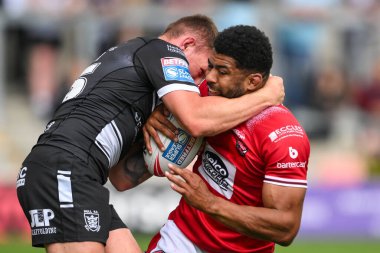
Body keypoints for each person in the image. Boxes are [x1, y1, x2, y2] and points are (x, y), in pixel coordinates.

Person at [16, 15, 284, 253]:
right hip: (65, 169)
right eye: (202, 70)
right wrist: (265, 96)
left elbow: (120, 178)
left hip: (78, 174)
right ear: (187, 45)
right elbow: (196, 120)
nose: (199, 82)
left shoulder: (140, 84)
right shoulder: (160, 50)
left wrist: (163, 153)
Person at [146, 25, 310, 253]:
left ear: (253, 82)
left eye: (222, 71)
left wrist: (209, 203)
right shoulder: (204, 94)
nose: (210, 77)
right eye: (211, 66)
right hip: (183, 238)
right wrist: (154, 116)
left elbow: (286, 227)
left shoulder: (284, 136)